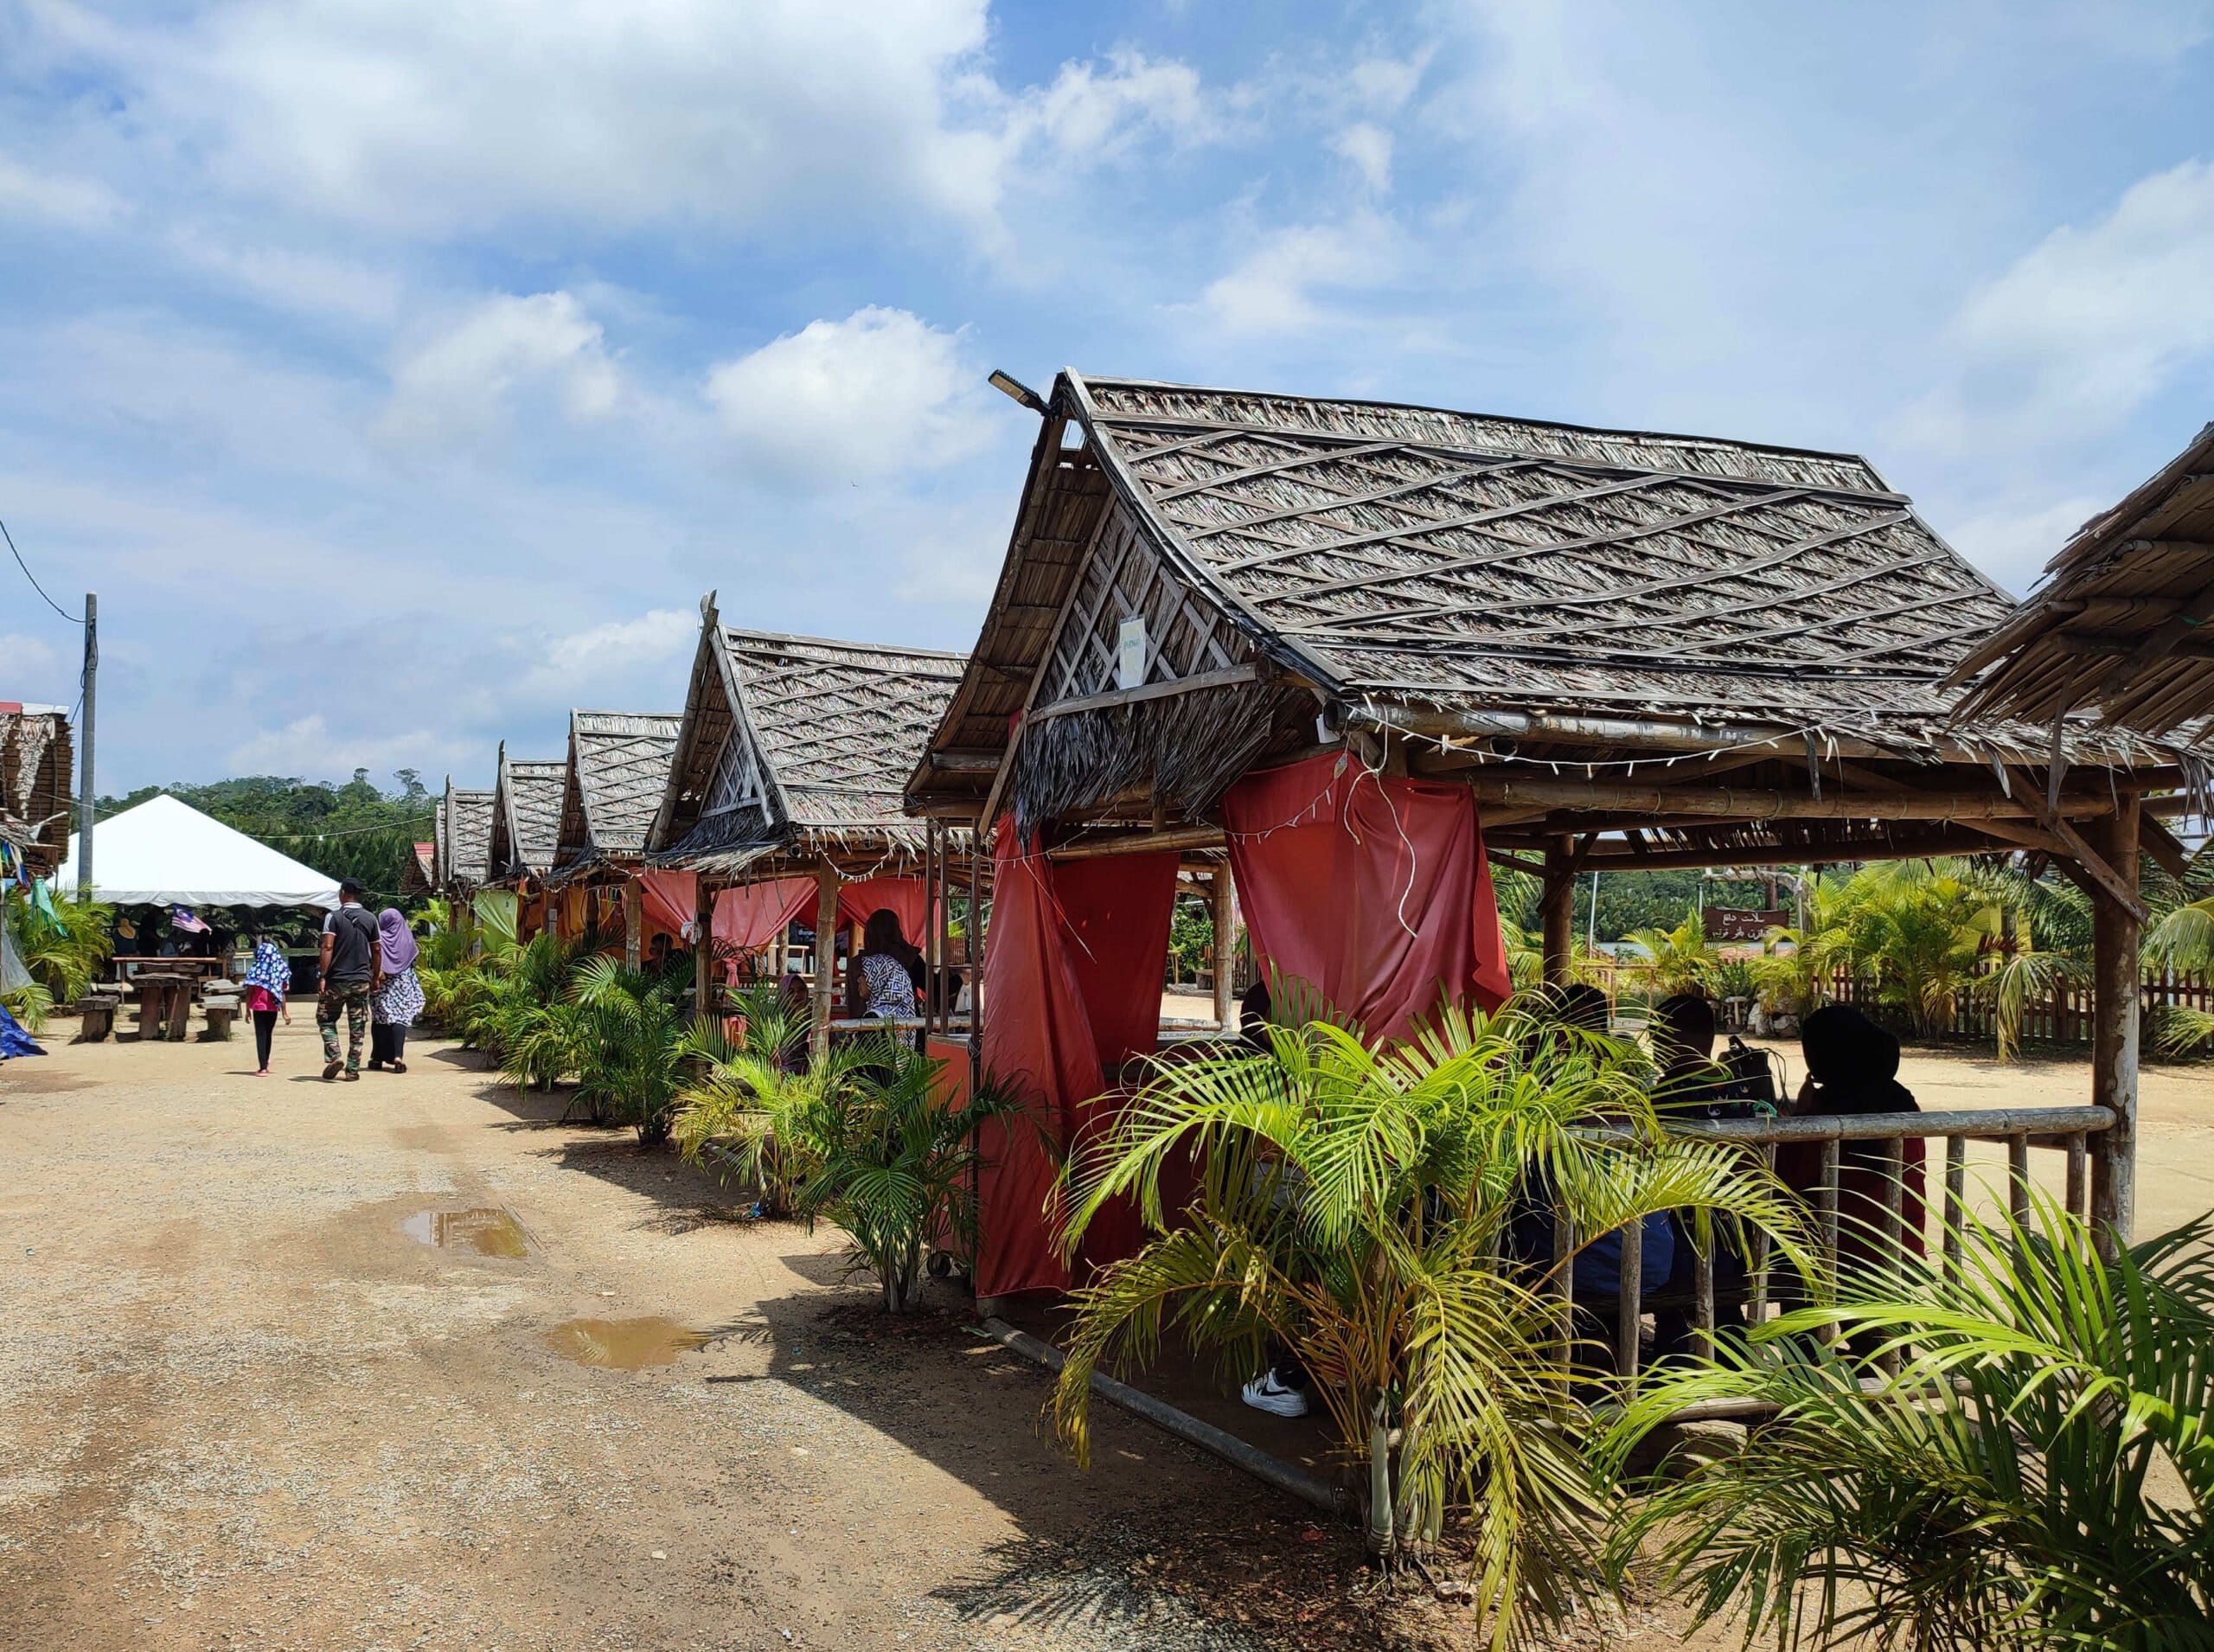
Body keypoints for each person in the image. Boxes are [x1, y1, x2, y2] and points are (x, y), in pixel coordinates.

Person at [1776, 1003, 1927, 1284]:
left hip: (1837, 1256)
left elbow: (1792, 1179)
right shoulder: (1903, 1102)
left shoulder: (1825, 1110)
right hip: (1903, 1250)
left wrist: (1800, 1121)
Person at [317, 880, 383, 1081]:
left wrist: (323, 975)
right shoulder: (371, 919)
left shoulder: (333, 917)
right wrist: (374, 977)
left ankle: (335, 1055)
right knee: (358, 1025)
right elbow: (377, 950)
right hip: (361, 980)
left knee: (326, 1018)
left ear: (343, 893)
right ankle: (353, 1069)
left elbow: (327, 947)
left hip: (336, 979)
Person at [368, 907, 424, 1073]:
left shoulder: (379, 938)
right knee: (399, 1018)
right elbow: (413, 959)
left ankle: (377, 1058)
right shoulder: (407, 938)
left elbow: (374, 956)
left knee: (380, 1019)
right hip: (403, 983)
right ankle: (398, 1057)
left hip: (383, 984)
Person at [844, 908, 921, 1021]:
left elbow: (852, 1002)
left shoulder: (857, 963)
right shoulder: (908, 957)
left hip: (859, 1025)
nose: (860, 979)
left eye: (863, 976)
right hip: (907, 1024)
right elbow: (936, 988)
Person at [242, 934, 293, 1076]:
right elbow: (281, 993)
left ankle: (263, 1066)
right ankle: (265, 1062)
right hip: (273, 1009)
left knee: (261, 1035)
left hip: (258, 1008)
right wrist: (284, 1012)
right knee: (268, 1034)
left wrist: (247, 1010)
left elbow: (249, 992)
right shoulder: (278, 971)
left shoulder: (255, 970)